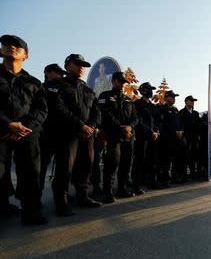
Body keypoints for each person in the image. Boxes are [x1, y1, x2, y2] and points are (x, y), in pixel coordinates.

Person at [0, 34, 48, 225]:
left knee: (30, 173)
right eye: (7, 44)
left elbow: (42, 109)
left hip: (27, 134)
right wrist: (7, 124)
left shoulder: (34, 82)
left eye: (17, 46)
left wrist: (23, 127)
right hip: (1, 131)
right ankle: (2, 205)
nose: (11, 47)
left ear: (26, 56)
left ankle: (31, 211)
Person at [47, 54, 102, 216]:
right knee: (65, 168)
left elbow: (96, 111)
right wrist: (80, 125)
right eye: (77, 64)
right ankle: (61, 202)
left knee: (86, 165)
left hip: (87, 136)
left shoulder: (87, 88)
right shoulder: (57, 84)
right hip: (66, 134)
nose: (81, 67)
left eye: (83, 65)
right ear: (67, 65)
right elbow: (57, 107)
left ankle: (83, 196)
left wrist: (91, 127)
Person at [99, 72, 138, 203]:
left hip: (128, 136)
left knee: (126, 164)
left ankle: (122, 188)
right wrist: (122, 128)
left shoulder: (128, 99)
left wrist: (130, 127)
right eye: (120, 81)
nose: (122, 84)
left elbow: (135, 117)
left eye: (124, 82)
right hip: (114, 136)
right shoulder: (105, 96)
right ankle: (107, 192)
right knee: (112, 164)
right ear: (113, 81)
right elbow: (106, 114)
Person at [40, 64, 66, 194]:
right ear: (47, 73)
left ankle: (62, 196)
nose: (61, 75)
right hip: (46, 133)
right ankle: (35, 199)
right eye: (57, 72)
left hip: (62, 133)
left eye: (62, 73)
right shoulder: (41, 88)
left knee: (63, 167)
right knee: (41, 167)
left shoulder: (64, 88)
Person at [132, 82, 159, 195]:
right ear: (142, 90)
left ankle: (152, 181)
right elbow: (139, 120)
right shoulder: (137, 104)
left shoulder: (152, 106)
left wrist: (156, 131)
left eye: (151, 89)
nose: (151, 91)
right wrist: (150, 132)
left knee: (152, 160)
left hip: (153, 137)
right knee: (139, 160)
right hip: (141, 136)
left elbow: (156, 120)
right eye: (149, 89)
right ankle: (136, 185)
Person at [158, 90, 184, 186]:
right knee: (166, 160)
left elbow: (180, 123)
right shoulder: (162, 109)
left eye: (175, 97)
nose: (174, 98)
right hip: (167, 139)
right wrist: (174, 132)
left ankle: (175, 176)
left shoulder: (175, 109)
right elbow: (163, 124)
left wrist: (181, 130)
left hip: (177, 139)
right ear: (166, 97)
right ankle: (165, 179)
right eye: (172, 96)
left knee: (176, 159)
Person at [179, 95, 201, 180]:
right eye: (191, 101)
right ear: (186, 101)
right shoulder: (182, 112)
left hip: (195, 138)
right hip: (186, 138)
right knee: (185, 156)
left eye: (193, 101)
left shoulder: (195, 113)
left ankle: (193, 173)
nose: (193, 102)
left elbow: (199, 125)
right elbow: (180, 125)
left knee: (194, 156)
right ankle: (183, 175)